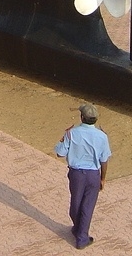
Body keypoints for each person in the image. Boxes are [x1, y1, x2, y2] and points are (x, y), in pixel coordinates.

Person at [55, 103, 111, 249]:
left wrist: (62, 138)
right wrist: (103, 178)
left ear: (82, 117)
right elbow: (104, 160)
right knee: (88, 205)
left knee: (76, 203)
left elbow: (60, 153)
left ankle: (79, 231)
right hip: (93, 175)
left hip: (76, 174)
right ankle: (81, 237)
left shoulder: (71, 133)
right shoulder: (102, 136)